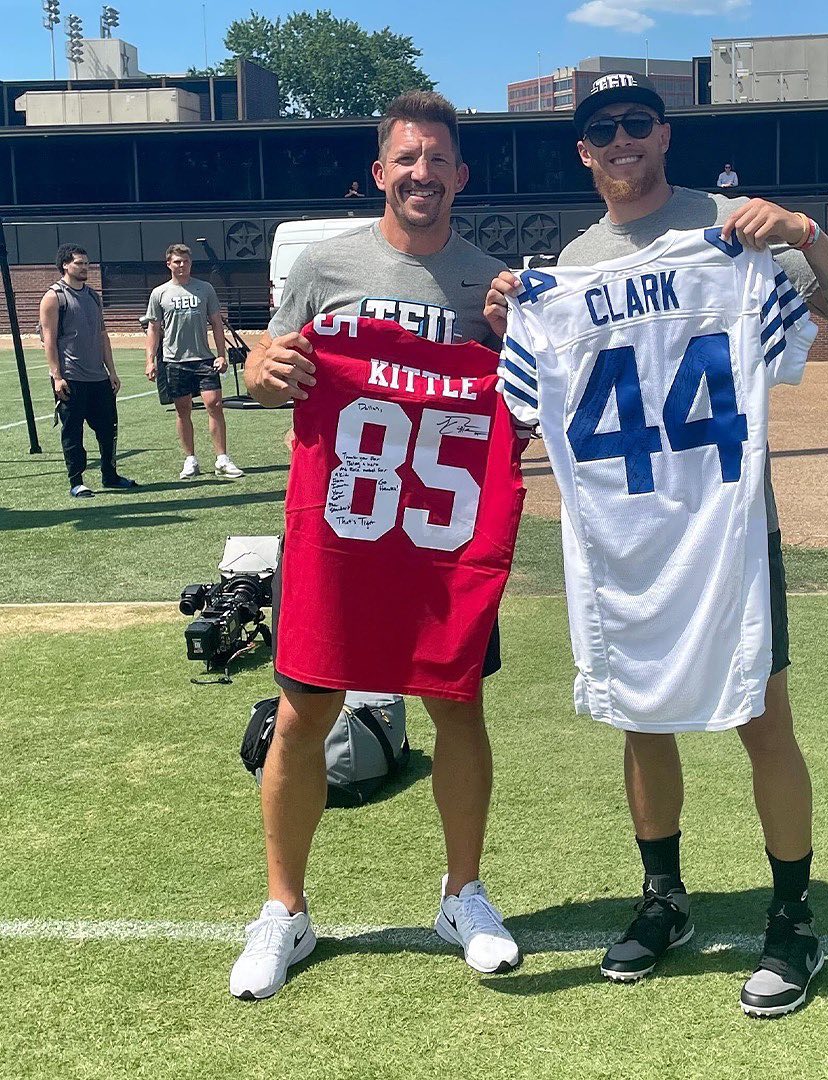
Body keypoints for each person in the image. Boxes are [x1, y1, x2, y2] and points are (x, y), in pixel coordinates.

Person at [485, 71, 828, 1018]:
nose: (619, 141)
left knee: (762, 716)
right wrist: (515, 321)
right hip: (630, 535)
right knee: (642, 716)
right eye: (600, 132)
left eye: (635, 124)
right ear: (582, 151)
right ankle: (665, 897)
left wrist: (803, 232)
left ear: (663, 134)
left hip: (731, 527)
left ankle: (793, 919)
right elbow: (524, 423)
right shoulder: (570, 267)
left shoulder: (732, 235)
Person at [233, 90, 519, 1001]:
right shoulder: (326, 266)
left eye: (438, 159)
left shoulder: (491, 286)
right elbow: (267, 370)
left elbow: (521, 406)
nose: (422, 173)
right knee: (302, 714)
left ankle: (461, 893)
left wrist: (518, 336)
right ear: (380, 171)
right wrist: (260, 368)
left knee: (457, 709)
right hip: (341, 532)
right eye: (407, 158)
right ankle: (285, 909)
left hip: (441, 541)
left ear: (460, 175)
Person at [39, 244, 137, 497]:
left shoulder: (93, 295)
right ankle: (77, 481)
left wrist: (111, 371)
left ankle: (110, 474)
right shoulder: (54, 297)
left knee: (108, 429)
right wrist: (57, 376)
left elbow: (102, 335)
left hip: (98, 377)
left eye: (86, 263)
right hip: (71, 377)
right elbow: (48, 341)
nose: (85, 268)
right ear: (65, 265)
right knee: (73, 432)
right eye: (79, 263)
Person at [143, 244, 243, 480]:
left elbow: (217, 323)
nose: (181, 265)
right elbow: (153, 329)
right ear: (169, 264)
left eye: (185, 261)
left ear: (191, 263)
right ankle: (190, 459)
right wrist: (150, 360)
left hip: (203, 358)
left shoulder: (205, 289)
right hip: (174, 360)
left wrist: (221, 354)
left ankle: (222, 458)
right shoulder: (160, 293)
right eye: (177, 261)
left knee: (214, 404)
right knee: (183, 409)